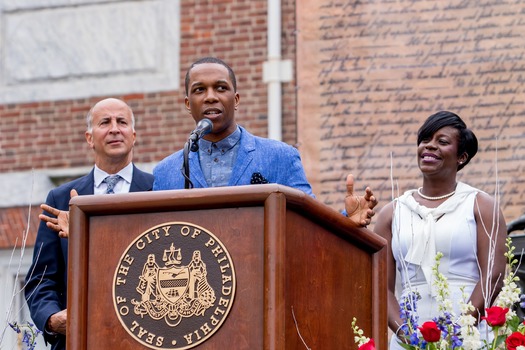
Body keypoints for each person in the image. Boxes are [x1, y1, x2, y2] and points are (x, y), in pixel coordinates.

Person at [153, 56, 376, 224]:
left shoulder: (280, 157)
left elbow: (310, 222)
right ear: (187, 104)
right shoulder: (165, 172)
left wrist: (347, 219)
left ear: (236, 99)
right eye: (200, 90)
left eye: (221, 88)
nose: (211, 96)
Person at [24, 98, 154, 350]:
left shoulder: (159, 190)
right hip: (80, 341)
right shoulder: (62, 199)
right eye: (105, 122)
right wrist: (51, 319)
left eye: (122, 122)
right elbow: (41, 279)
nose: (115, 128)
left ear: (134, 135)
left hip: (146, 339)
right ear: (89, 137)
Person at [373, 111, 507, 349]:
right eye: (425, 140)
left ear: (462, 157)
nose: (430, 147)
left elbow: (493, 276)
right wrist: (407, 335)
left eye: (442, 142)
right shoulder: (392, 213)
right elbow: (380, 287)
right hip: (411, 334)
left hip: (468, 332)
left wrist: (461, 329)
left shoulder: (480, 205)